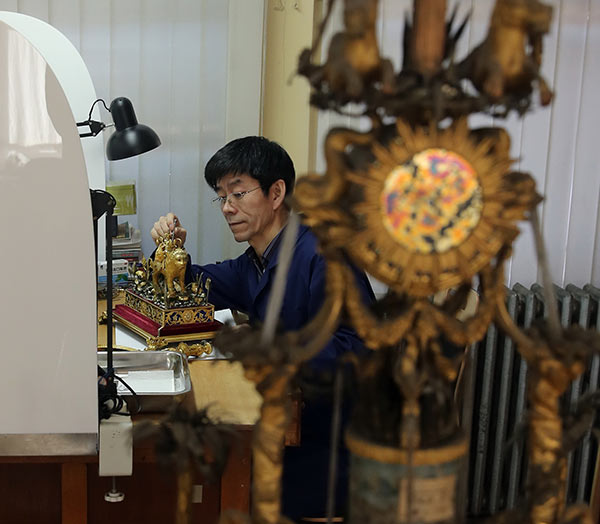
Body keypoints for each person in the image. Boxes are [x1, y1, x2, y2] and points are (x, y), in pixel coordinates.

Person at [151, 136, 374, 521]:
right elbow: (195, 283)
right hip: (289, 418)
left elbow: (357, 348)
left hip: (329, 440)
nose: (226, 207)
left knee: (209, 473)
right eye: (221, 196)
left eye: (237, 194)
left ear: (276, 193)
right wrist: (170, 250)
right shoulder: (257, 259)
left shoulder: (323, 255)